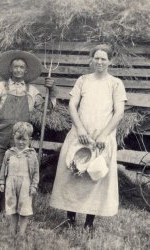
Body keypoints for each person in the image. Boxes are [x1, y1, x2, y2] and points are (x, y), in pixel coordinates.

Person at [50, 44, 127, 230]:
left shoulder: (116, 83)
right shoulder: (83, 80)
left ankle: (89, 223)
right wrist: (81, 130)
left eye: (104, 58)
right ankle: (69, 219)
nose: (100, 62)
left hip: (102, 137)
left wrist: (103, 135)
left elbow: (119, 113)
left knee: (95, 175)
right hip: (80, 134)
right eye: (97, 58)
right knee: (73, 173)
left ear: (110, 61)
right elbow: (72, 105)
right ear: (91, 59)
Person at [0, 50, 55, 213]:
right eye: (15, 67)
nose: (18, 70)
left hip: (20, 137)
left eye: (21, 67)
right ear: (10, 70)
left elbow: (48, 109)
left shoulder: (32, 91)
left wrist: (51, 90)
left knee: (14, 172)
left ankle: (7, 208)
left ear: (26, 71)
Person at [0, 122, 39, 236]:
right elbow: (3, 168)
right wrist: (2, 182)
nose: (21, 142)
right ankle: (12, 232)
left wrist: (34, 185)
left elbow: (36, 172)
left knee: (24, 208)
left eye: (24, 139)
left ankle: (21, 234)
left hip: (25, 185)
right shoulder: (9, 153)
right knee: (12, 208)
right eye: (18, 138)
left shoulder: (31, 154)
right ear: (13, 137)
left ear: (29, 139)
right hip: (11, 184)